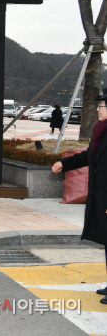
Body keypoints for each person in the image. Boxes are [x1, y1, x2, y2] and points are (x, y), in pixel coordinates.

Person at [52, 88, 107, 306]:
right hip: (100, 195)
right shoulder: (101, 131)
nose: (97, 109)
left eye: (101, 105)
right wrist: (64, 163)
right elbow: (88, 156)